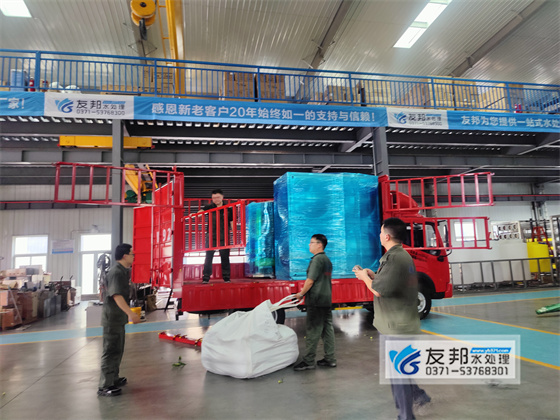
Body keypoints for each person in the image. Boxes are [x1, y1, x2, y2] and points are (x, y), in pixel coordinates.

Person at [354, 217, 430, 419]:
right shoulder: (396, 256)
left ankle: (406, 416)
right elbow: (390, 283)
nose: (379, 235)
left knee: (398, 375)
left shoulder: (396, 258)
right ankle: (419, 396)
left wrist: (364, 278)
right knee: (400, 369)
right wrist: (372, 275)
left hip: (398, 326)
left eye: (381, 232)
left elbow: (379, 290)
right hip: (395, 324)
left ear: (387, 236)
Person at [98, 243, 141, 397]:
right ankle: (105, 385)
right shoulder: (116, 272)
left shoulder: (123, 271)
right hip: (112, 319)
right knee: (110, 351)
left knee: (117, 349)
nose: (134, 256)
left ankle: (113, 378)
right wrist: (131, 313)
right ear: (125, 255)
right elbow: (117, 296)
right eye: (132, 254)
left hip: (117, 319)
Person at [293, 234, 336, 371]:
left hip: (316, 300)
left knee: (313, 330)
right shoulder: (327, 260)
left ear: (319, 245)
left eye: (311, 242)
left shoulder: (317, 260)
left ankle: (309, 361)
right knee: (327, 330)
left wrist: (300, 294)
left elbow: (310, 281)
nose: (309, 245)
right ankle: (330, 359)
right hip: (326, 299)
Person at [200, 189, 233, 283]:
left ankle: (226, 277)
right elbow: (201, 211)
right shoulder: (209, 207)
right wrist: (195, 214)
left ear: (222, 197)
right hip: (211, 235)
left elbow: (232, 221)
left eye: (218, 197)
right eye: (213, 198)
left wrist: (234, 233)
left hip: (224, 235)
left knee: (225, 256)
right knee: (208, 257)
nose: (216, 199)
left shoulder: (228, 208)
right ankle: (206, 278)